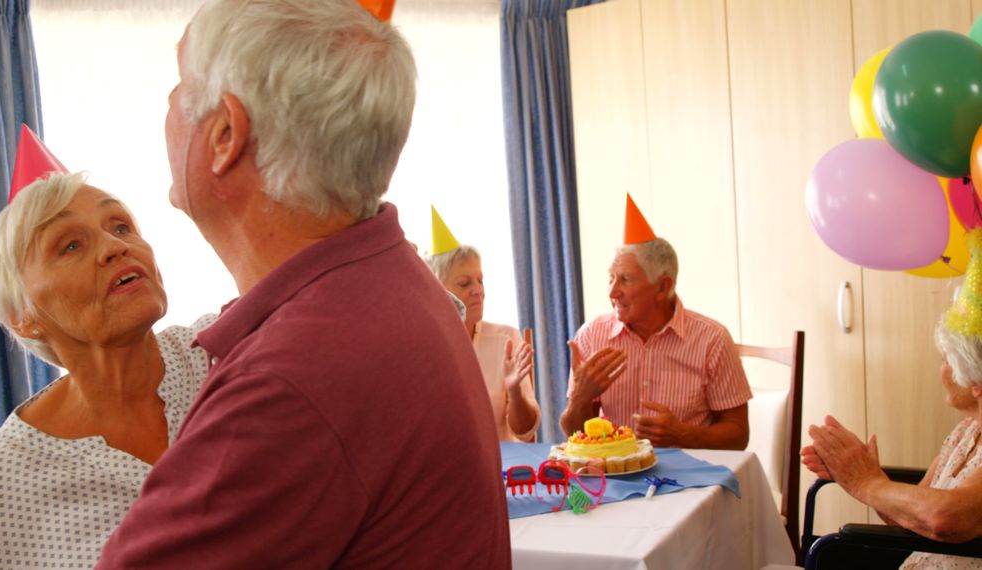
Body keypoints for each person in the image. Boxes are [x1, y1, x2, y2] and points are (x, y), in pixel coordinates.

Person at [96, 1, 509, 567]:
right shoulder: (391, 281)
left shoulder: (289, 379)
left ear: (224, 136)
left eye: (182, 82)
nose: (169, 102)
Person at [0, 171, 213, 569]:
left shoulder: (227, 351)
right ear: (23, 317)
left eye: (121, 226)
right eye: (71, 246)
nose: (115, 246)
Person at [802, 232, 982, 569]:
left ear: (975, 383)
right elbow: (912, 520)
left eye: (946, 359)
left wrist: (865, 482)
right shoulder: (966, 432)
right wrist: (860, 476)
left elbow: (944, 518)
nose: (941, 369)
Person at [559, 195, 751, 450]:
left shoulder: (711, 339)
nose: (612, 292)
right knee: (568, 492)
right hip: (616, 481)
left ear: (663, 287)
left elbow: (738, 435)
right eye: (611, 278)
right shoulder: (593, 336)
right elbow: (572, 436)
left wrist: (683, 435)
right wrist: (581, 398)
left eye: (626, 280)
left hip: (692, 478)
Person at [423, 207, 540, 442]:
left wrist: (514, 392)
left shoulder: (506, 339)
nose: (478, 291)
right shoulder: (420, 348)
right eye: (465, 284)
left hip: (502, 470)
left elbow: (525, 433)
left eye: (480, 280)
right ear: (437, 291)